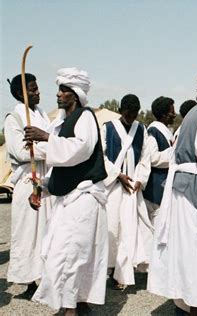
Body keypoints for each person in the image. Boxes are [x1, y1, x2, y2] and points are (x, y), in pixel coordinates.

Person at [24, 67, 108, 315]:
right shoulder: (60, 124)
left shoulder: (86, 118)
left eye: (64, 90)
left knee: (73, 255)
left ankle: (73, 307)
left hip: (84, 197)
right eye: (59, 89)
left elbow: (78, 151)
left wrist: (45, 139)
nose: (58, 94)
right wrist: (43, 187)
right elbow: (59, 164)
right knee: (65, 253)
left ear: (76, 94)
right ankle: (76, 303)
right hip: (68, 200)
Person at [147, 65, 197, 315]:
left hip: (180, 186)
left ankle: (184, 300)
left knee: (184, 247)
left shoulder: (192, 113)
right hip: (194, 187)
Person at [4, 73, 51, 299]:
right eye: (32, 89)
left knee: (47, 229)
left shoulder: (42, 115)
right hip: (27, 180)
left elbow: (53, 139)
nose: (37, 92)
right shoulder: (14, 118)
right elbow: (21, 151)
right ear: (19, 94)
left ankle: (46, 278)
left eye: (37, 88)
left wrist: (45, 142)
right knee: (27, 231)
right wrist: (48, 147)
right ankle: (29, 281)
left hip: (45, 178)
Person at [102, 94, 153, 288]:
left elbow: (145, 158)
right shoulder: (108, 128)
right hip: (114, 186)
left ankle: (123, 272)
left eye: (134, 114)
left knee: (131, 229)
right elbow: (101, 155)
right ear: (121, 110)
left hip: (132, 187)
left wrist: (139, 178)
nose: (131, 117)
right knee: (113, 229)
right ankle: (111, 269)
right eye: (127, 113)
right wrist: (117, 175)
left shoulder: (141, 129)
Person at [143, 96, 176, 225]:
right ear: (164, 115)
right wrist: (174, 153)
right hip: (155, 190)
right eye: (172, 112)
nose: (174, 115)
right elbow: (152, 158)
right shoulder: (153, 132)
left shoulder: (166, 132)